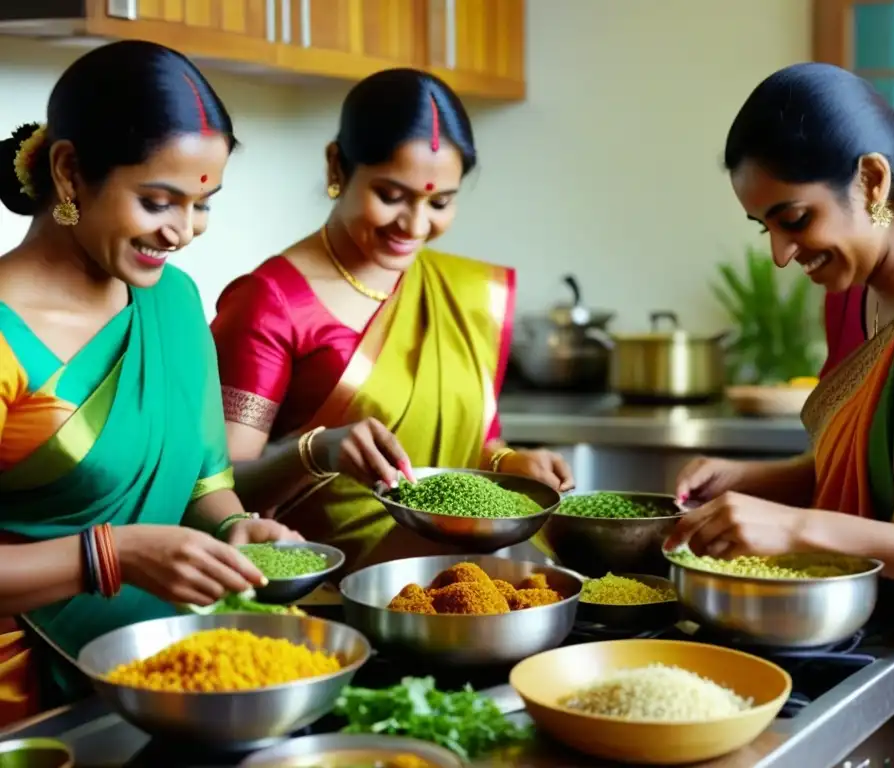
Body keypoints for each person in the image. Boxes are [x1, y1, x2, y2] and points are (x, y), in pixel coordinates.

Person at [668, 62, 894, 766]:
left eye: (794, 219)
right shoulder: (851, 296)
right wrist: (754, 481)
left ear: (871, 181)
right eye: (763, 226)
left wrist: (800, 528)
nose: (779, 253)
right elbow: (893, 470)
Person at [0, 41, 300, 727]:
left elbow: (201, 480)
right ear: (71, 171)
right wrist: (112, 553)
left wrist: (235, 527)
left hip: (158, 674)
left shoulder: (173, 301)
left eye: (203, 204)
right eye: (159, 201)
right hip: (21, 700)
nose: (184, 232)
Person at [211, 68, 572, 571]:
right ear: (337, 166)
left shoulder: (460, 293)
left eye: (440, 202)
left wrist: (510, 463)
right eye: (391, 195)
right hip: (325, 595)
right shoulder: (272, 303)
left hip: (459, 587)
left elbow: (479, 440)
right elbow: (216, 486)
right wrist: (315, 452)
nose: (415, 225)